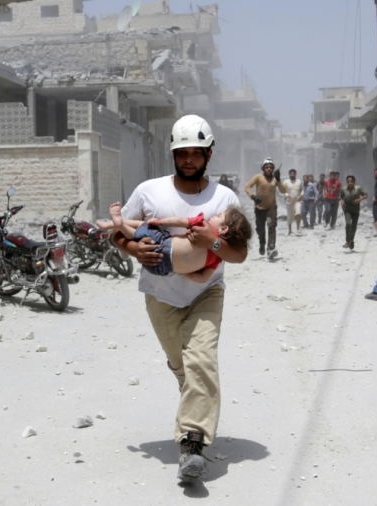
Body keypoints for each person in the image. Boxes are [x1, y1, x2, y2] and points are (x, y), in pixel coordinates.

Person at [114, 114, 248, 481]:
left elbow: (238, 254)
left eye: (196, 153)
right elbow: (117, 233)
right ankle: (194, 395)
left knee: (201, 360)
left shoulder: (225, 197)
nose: (189, 159)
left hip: (208, 291)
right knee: (182, 365)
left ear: (209, 154)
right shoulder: (148, 191)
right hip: (160, 295)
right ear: (173, 153)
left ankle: (192, 443)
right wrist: (133, 250)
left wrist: (212, 242)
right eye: (182, 152)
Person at [99, 202, 251, 283]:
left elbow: (179, 221)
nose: (214, 216)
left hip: (163, 244)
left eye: (218, 215)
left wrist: (159, 221)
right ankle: (117, 225)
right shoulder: (217, 258)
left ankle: (118, 224)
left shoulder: (204, 225)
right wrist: (182, 270)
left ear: (224, 228)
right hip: (163, 268)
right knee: (141, 232)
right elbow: (201, 278)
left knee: (142, 227)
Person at [244, 158, 287, 258]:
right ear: (263, 168)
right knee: (260, 229)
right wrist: (253, 196)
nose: (269, 169)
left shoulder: (275, 179)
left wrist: (279, 180)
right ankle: (262, 243)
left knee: (271, 226)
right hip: (259, 208)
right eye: (266, 167)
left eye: (271, 167)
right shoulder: (258, 177)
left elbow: (284, 190)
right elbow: (247, 187)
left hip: (271, 207)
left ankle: (271, 247)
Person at [340, 175, 367, 250]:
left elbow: (365, 195)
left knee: (354, 226)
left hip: (355, 210)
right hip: (347, 209)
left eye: (351, 181)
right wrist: (342, 202)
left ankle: (351, 240)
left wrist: (359, 200)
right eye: (348, 182)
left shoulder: (358, 188)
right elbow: (340, 197)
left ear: (354, 182)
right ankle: (348, 241)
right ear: (346, 182)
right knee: (348, 224)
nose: (350, 183)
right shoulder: (343, 189)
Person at [283, 169, 303, 235]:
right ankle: (290, 230)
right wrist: (286, 195)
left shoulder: (299, 181)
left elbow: (302, 190)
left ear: (295, 174)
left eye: (293, 173)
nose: (292, 175)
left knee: (298, 213)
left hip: (297, 200)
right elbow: (282, 191)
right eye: (291, 173)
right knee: (290, 216)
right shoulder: (286, 182)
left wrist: (301, 194)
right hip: (289, 201)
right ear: (289, 174)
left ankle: (298, 228)